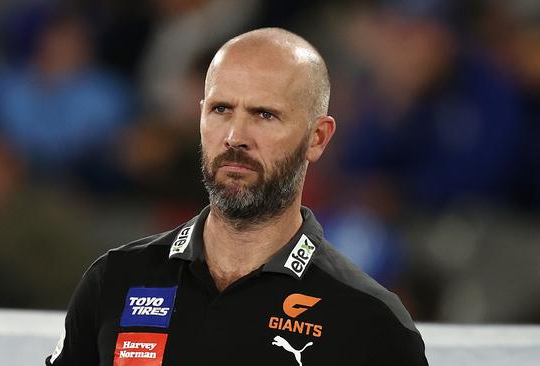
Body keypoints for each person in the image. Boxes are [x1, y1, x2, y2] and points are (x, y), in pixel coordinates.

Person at [46, 28, 428, 366]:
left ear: (318, 138)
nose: (234, 136)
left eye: (264, 114)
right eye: (221, 109)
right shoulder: (115, 281)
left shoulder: (370, 321)